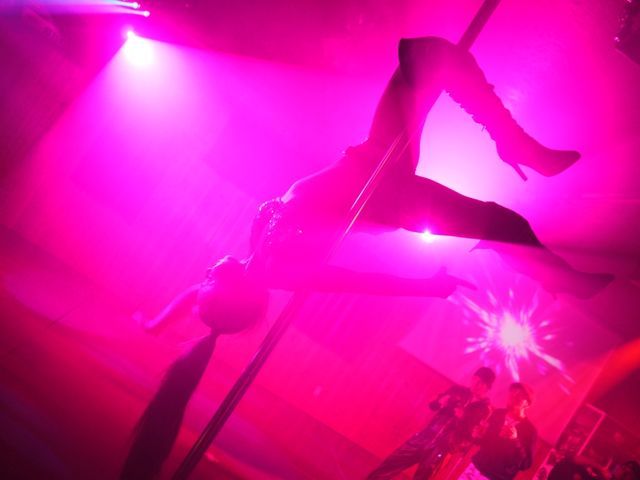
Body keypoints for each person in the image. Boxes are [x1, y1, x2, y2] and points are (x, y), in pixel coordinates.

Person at [366, 367, 495, 480]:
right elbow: (433, 405)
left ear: (487, 388)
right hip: (425, 437)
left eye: (481, 383)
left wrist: (462, 418)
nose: (476, 384)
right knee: (391, 464)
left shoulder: (484, 410)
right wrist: (439, 402)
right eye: (475, 379)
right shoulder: (458, 390)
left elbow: (473, 437)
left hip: (442, 448)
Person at [460, 382, 537, 480]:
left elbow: (525, 464)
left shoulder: (530, 431)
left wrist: (515, 440)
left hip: (496, 477)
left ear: (527, 404)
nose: (513, 396)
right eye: (512, 392)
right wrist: (478, 435)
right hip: (476, 467)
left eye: (519, 395)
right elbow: (484, 442)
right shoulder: (498, 414)